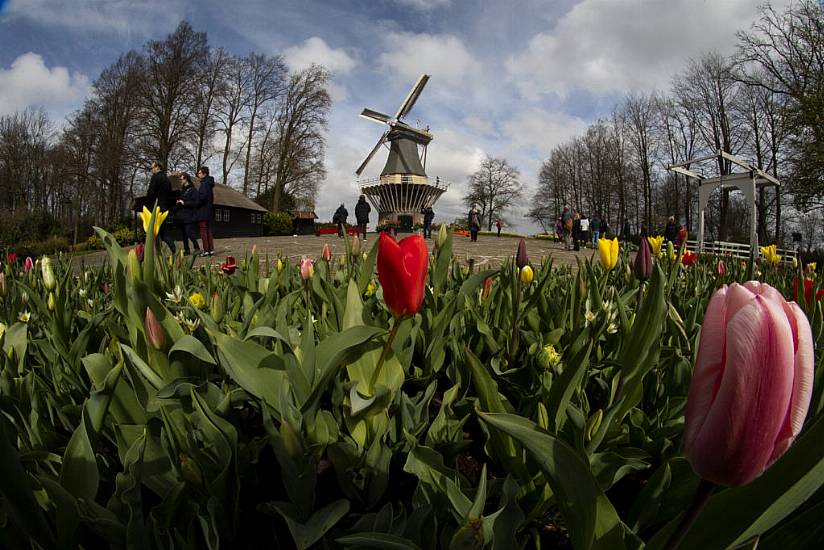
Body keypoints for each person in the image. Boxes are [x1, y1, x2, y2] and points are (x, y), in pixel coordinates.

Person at [146, 161, 176, 254]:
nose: (151, 170)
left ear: (158, 167)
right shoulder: (167, 179)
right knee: (164, 231)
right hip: (165, 208)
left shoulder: (155, 177)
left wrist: (147, 206)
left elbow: (151, 193)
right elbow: (170, 194)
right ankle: (173, 248)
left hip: (156, 208)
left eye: (152, 168)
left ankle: (158, 252)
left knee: (155, 231)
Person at [176, 173, 200, 255]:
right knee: (183, 234)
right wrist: (178, 201)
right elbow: (181, 200)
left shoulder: (193, 190)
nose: (180, 181)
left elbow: (196, 202)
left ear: (186, 179)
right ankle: (187, 250)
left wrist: (184, 203)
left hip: (189, 214)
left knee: (189, 232)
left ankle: (197, 248)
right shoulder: (182, 190)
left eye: (181, 179)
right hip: (181, 215)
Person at [195, 166, 215, 257]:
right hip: (208, 210)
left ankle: (206, 250)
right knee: (208, 230)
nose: (198, 175)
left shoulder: (204, 184)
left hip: (203, 210)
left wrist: (196, 203)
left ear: (204, 174)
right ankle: (210, 249)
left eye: (199, 173)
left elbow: (202, 197)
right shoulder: (209, 183)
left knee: (203, 230)